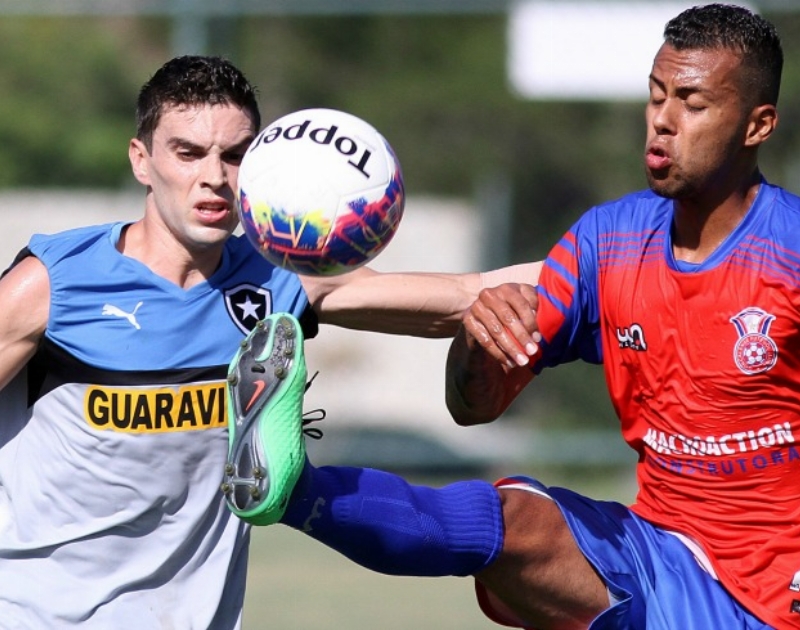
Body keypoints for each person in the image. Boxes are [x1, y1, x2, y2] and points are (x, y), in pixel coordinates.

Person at [240, 4, 800, 629]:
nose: (662, 120)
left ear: (757, 125)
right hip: (656, 551)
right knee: (510, 518)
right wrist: (478, 338)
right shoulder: (609, 241)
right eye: (656, 96)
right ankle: (285, 487)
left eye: (692, 103)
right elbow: (473, 406)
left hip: (791, 599)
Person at [0, 55, 540, 629]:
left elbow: (469, 296)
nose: (215, 176)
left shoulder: (278, 279)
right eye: (188, 153)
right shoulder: (54, 284)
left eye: (234, 155)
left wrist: (631, 254)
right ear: (142, 160)